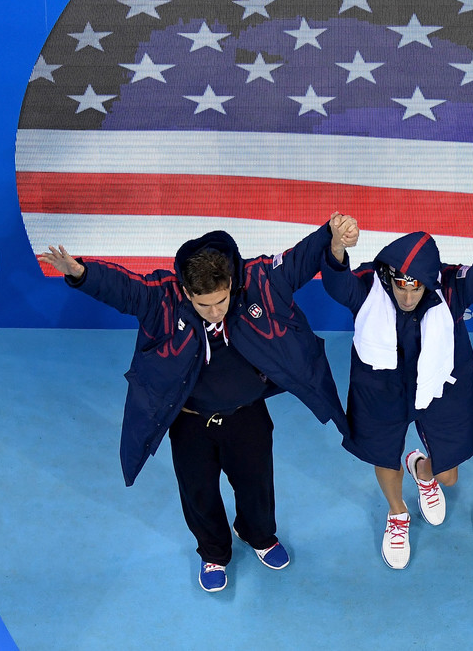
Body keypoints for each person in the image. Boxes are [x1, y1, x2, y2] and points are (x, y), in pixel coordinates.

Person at [37, 214, 355, 593]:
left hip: (247, 415)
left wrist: (330, 237)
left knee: (256, 486)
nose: (215, 312)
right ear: (187, 293)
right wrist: (81, 273)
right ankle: (213, 553)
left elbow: (300, 260)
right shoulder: (163, 299)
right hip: (189, 423)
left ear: (230, 283)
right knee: (198, 492)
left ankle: (259, 535)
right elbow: (124, 288)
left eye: (220, 301)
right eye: (204, 305)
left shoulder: (259, 281)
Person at [320, 180, 473, 569]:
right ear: (389, 275)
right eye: (400, 287)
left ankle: (422, 471)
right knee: (383, 454)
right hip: (381, 387)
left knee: (449, 477)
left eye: (416, 289)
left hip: (440, 384)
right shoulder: (369, 287)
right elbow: (336, 283)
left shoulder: (450, 288)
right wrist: (337, 246)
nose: (407, 297)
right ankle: (397, 514)